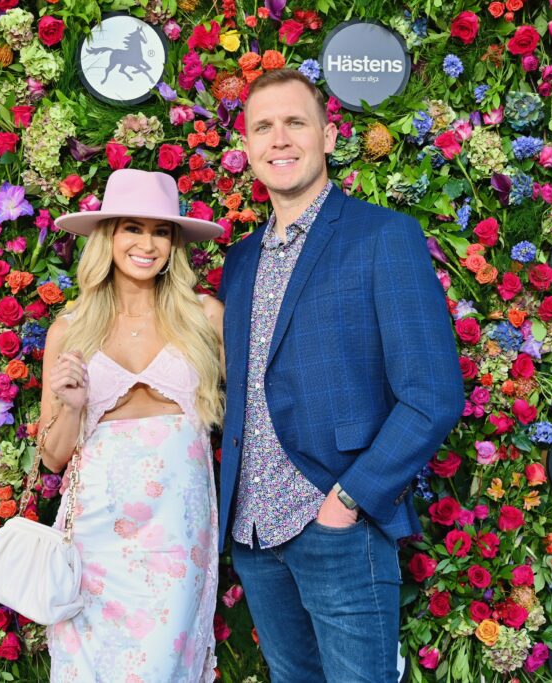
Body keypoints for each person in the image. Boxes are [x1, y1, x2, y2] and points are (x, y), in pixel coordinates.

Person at [217, 69, 465, 682]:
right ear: (246, 147)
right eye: (263, 127)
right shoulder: (240, 259)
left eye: (295, 123)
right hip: (251, 530)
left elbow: (431, 396)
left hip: (334, 524)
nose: (280, 139)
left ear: (328, 136)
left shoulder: (384, 236)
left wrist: (348, 500)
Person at [40, 169, 225, 683]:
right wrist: (73, 405)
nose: (147, 244)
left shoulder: (205, 317)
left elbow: (264, 407)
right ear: (108, 237)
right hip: (96, 536)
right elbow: (52, 457)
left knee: (164, 665)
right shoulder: (71, 328)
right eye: (132, 228)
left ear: (175, 244)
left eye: (161, 232)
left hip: (176, 534)